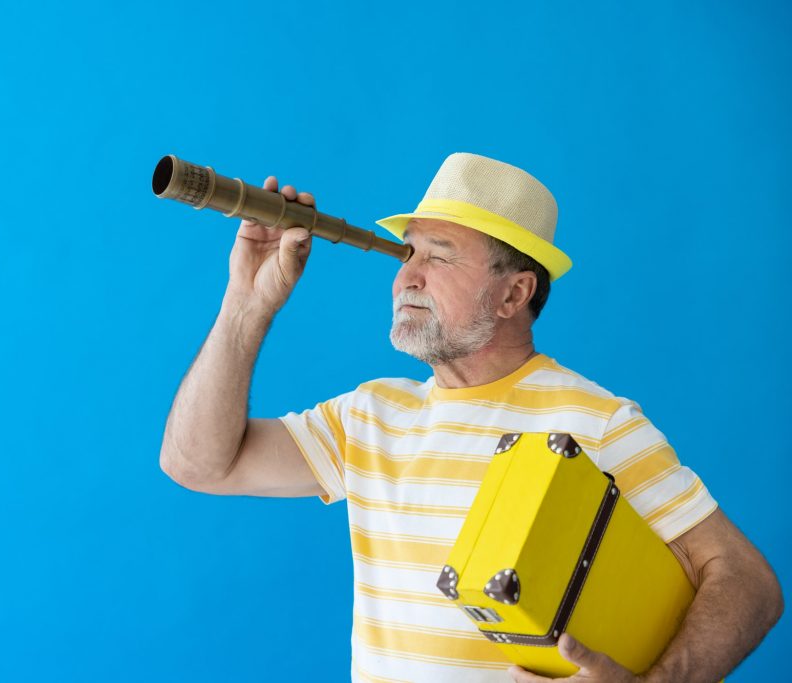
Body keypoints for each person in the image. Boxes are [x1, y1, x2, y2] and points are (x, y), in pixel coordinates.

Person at [158, 153, 783, 682]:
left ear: (515, 294)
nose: (409, 276)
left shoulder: (597, 421)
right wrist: (248, 301)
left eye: (440, 257)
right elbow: (197, 464)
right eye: (406, 255)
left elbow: (747, 582)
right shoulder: (371, 417)